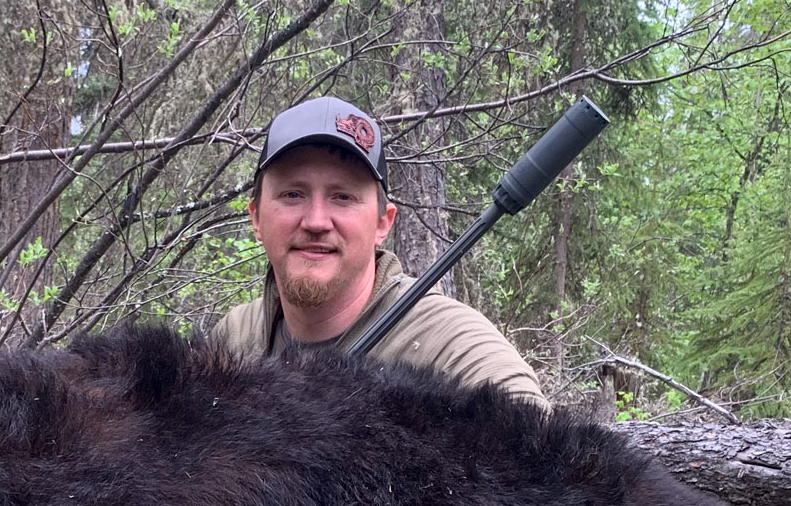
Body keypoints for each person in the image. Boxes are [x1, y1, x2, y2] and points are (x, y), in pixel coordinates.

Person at [212, 96, 548, 408]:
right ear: (256, 217)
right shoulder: (236, 339)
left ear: (382, 224)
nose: (316, 221)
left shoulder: (449, 345)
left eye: (342, 197)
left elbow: (546, 453)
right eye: (292, 195)